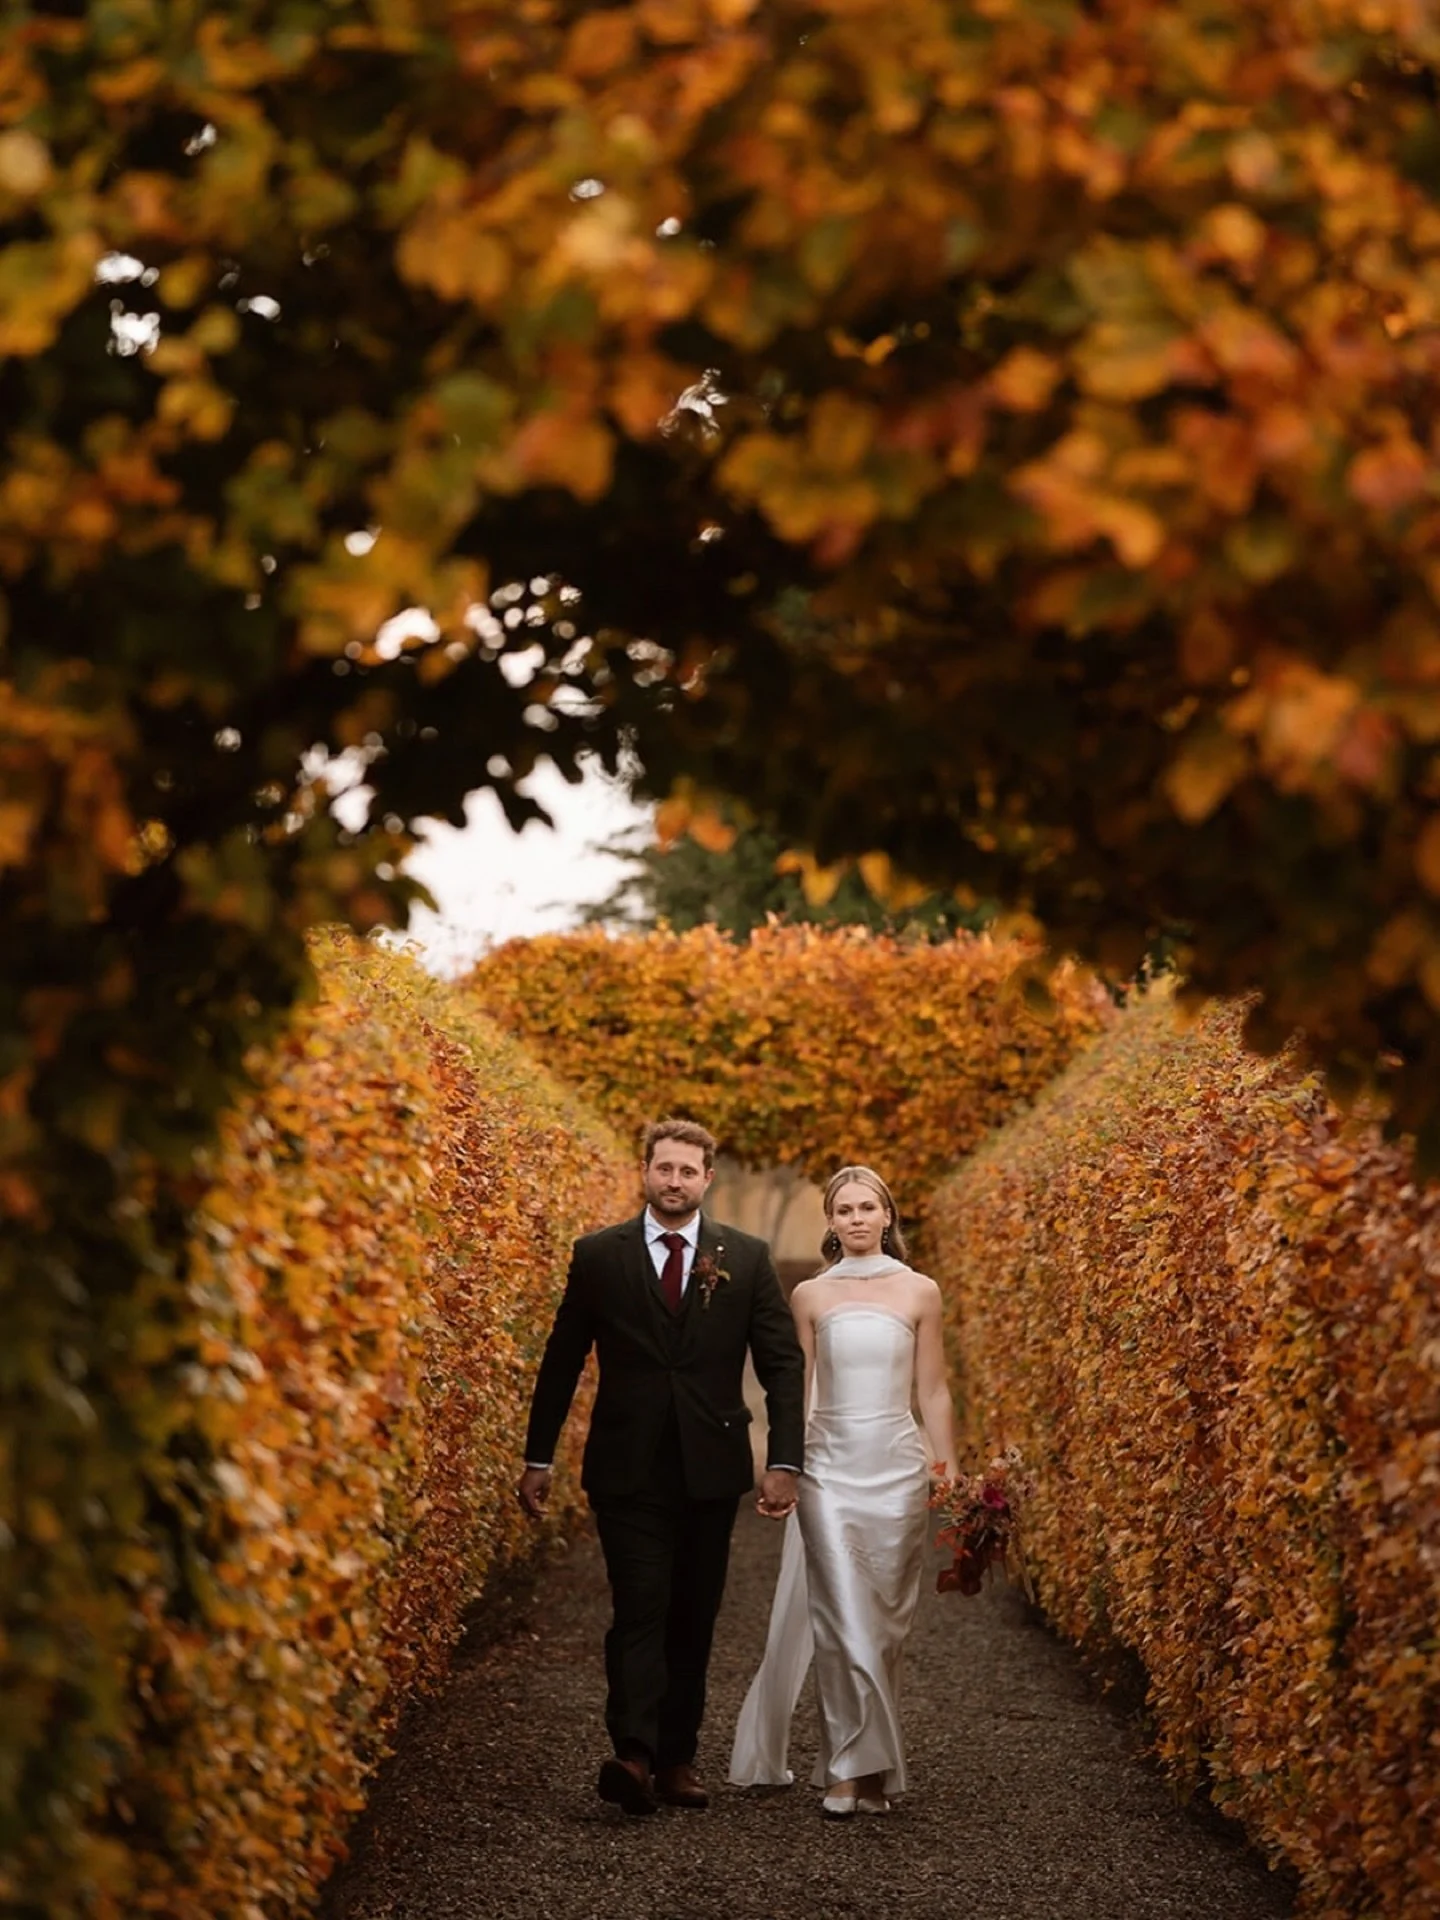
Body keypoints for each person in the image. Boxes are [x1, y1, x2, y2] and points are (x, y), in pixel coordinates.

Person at [517, 1117, 806, 1816]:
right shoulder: (599, 1256)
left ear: (707, 1179)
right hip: (626, 1467)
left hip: (711, 1468)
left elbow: (782, 1366)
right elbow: (561, 1361)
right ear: (644, 1172)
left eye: (687, 1171)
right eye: (663, 1169)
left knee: (694, 1612)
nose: (673, 1181)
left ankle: (679, 1758)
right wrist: (538, 1455)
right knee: (639, 1604)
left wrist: (786, 1460)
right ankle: (634, 1755)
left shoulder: (746, 1255)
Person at [728, 1164, 955, 1817]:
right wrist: (788, 1465)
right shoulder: (809, 1296)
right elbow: (798, 1391)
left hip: (899, 1466)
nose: (856, 1219)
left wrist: (948, 1468)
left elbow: (933, 1389)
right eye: (844, 1209)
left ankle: (878, 1768)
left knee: (884, 1623)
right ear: (830, 1221)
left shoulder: (920, 1292)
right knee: (839, 1619)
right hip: (829, 1465)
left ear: (888, 1215)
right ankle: (847, 1769)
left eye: (867, 1207)